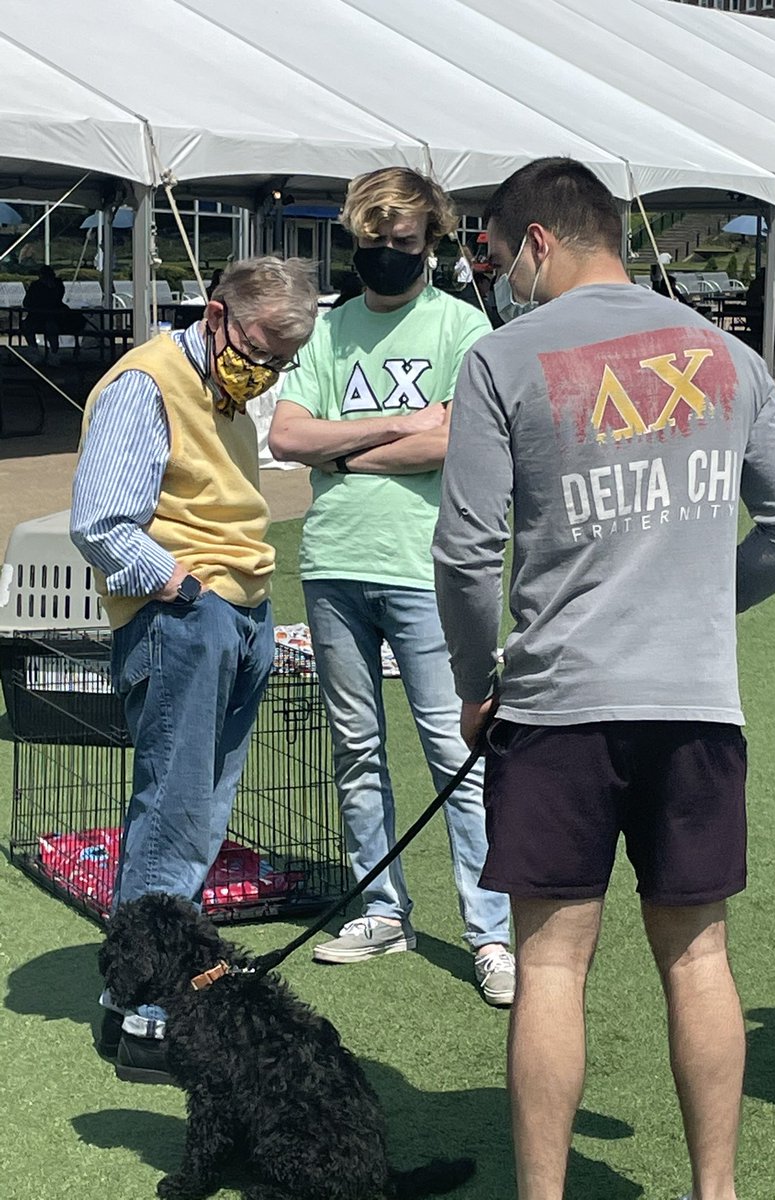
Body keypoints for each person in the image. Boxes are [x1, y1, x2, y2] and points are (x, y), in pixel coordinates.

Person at [431, 157, 775, 1199]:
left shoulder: (502, 358)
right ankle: (717, 1191)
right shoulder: (728, 355)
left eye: (498, 255)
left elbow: (467, 551)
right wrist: (701, 604)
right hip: (694, 704)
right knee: (698, 959)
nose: (499, 277)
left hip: (557, 702)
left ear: (535, 244)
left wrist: (479, 681)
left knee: (552, 966)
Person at [268, 166, 515, 1007]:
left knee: (456, 752)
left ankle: (490, 931)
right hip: (333, 561)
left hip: (423, 567)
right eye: (371, 245)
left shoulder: (463, 325)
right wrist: (392, 427)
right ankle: (383, 908)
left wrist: (342, 446)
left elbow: (450, 443)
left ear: (432, 241)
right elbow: (288, 433)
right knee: (356, 750)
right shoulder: (327, 332)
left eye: (400, 244)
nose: (383, 258)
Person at [70, 256, 319, 1082]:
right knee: (175, 817)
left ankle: (138, 1001)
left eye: (286, 360)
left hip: (233, 608)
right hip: (186, 613)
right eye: (264, 348)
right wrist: (185, 589)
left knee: (203, 813)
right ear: (217, 315)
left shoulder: (228, 392)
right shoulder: (145, 383)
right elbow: (102, 521)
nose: (270, 370)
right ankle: (146, 1013)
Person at [22, 264, 84, 356]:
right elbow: (27, 302)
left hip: (55, 317)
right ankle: (34, 349)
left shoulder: (56, 285)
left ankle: (53, 352)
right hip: (38, 316)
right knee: (26, 325)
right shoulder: (36, 286)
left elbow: (55, 300)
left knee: (51, 327)